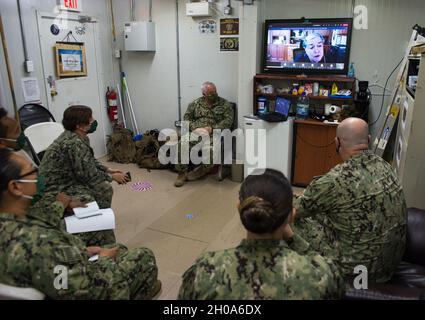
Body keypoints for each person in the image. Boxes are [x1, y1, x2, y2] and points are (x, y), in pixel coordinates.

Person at [0, 149, 161, 299]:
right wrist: (104, 260)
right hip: (86, 285)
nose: (39, 174)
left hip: (50, 276)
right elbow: (83, 290)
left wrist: (81, 252)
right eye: (32, 170)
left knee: (120, 249)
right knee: (144, 255)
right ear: (15, 187)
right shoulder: (41, 242)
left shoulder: (12, 224)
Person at [178, 169, 344, 300]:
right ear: (292, 216)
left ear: (239, 208)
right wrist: (293, 239)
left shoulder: (205, 270)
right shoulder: (320, 275)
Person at [294, 118, 407, 284]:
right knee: (325, 211)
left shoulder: (334, 180)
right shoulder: (386, 166)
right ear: (368, 140)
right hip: (388, 267)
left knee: (289, 220)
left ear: (337, 143)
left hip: (357, 272)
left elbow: (294, 212)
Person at [174, 82, 234, 187]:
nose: (213, 94)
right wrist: (196, 129)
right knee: (182, 143)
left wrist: (211, 128)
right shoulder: (195, 104)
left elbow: (228, 122)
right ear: (204, 93)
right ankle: (182, 173)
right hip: (197, 132)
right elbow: (186, 119)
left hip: (214, 134)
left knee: (211, 149)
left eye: (214, 91)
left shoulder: (225, 104)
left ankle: (201, 171)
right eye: (210, 93)